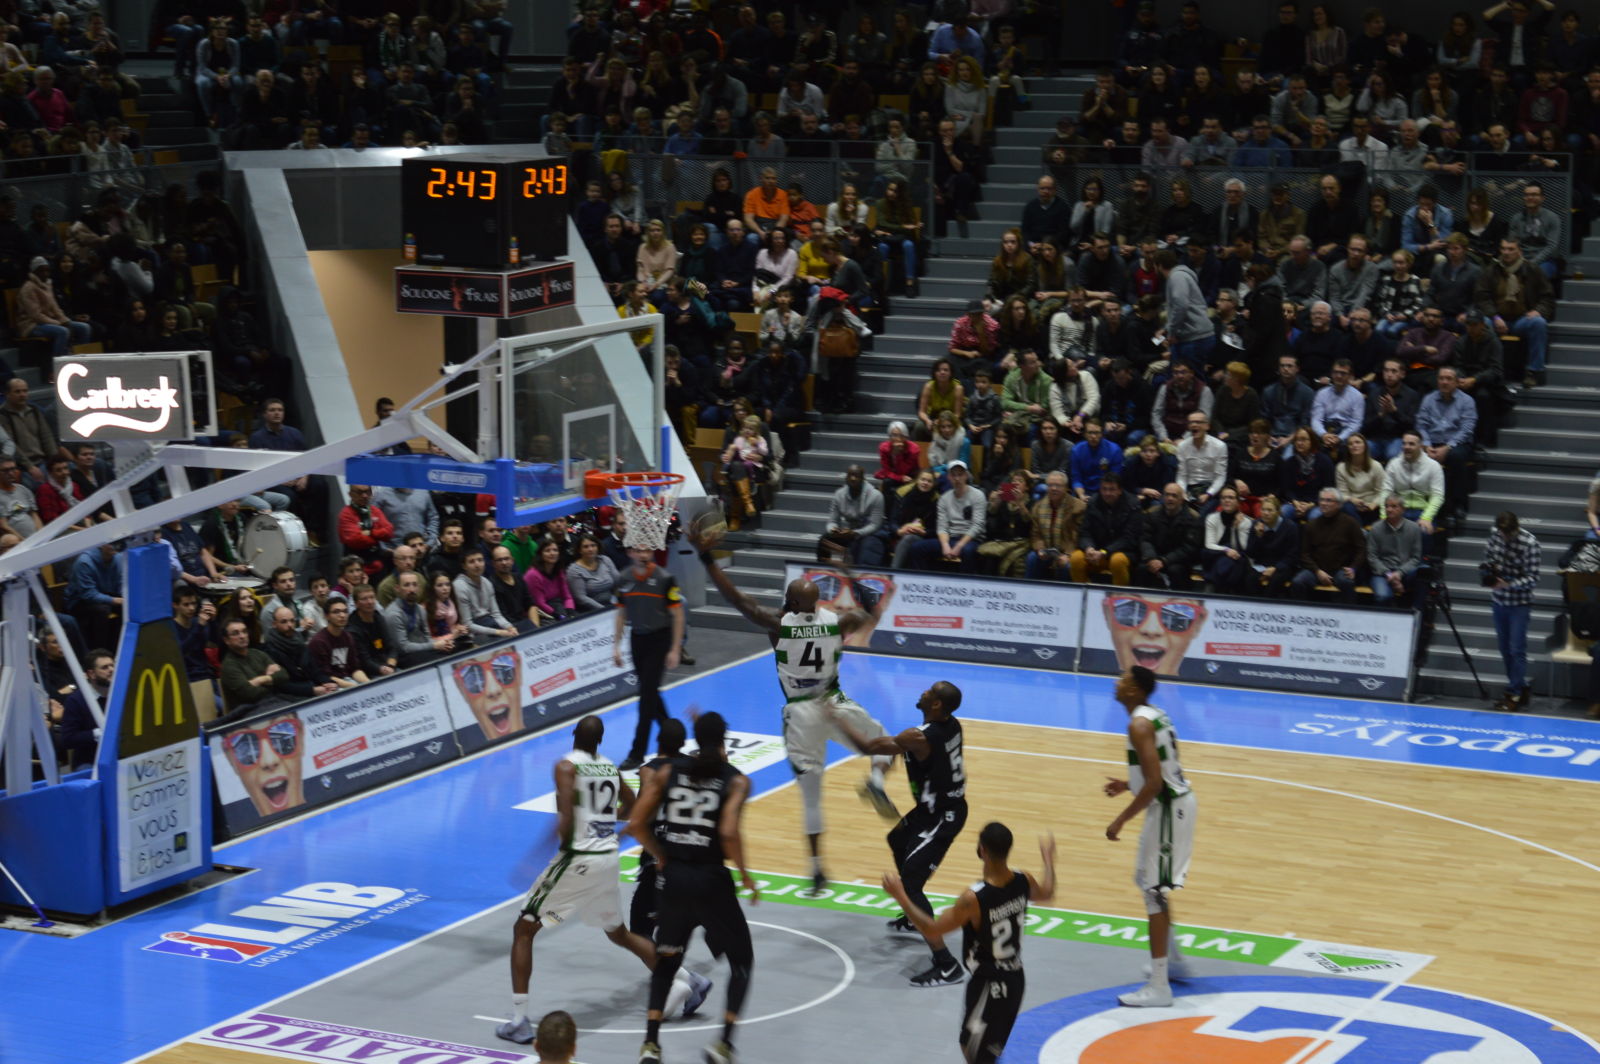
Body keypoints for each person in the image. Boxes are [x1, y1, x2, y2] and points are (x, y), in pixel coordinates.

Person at [689, 521, 896, 888]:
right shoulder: (837, 620)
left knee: (811, 796)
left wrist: (706, 558)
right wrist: (847, 572)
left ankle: (816, 867)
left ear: (793, 603)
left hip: (800, 712)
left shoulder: (779, 625)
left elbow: (737, 600)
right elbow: (873, 612)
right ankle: (876, 781)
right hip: (834, 702)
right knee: (886, 746)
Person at [497, 715, 708, 1046]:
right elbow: (635, 806)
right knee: (619, 934)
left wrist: (536, 857)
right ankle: (688, 978)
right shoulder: (610, 768)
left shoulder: (567, 766)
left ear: (573, 737)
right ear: (599, 741)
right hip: (607, 859)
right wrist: (604, 820)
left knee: (524, 929)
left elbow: (566, 819)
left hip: (577, 859)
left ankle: (519, 1020)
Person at [630, 712, 757, 1064]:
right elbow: (729, 833)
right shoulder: (736, 780)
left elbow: (637, 823)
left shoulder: (668, 772)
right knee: (742, 963)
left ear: (694, 740)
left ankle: (651, 1044)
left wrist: (659, 854)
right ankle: (724, 1044)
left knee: (667, 960)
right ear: (725, 739)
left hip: (672, 881)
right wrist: (746, 874)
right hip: (710, 881)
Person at [831, 681, 967, 987]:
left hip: (942, 817)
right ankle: (912, 915)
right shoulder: (950, 725)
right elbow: (898, 748)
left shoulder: (917, 736)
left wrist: (836, 720)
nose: (922, 692)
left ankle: (947, 965)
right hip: (931, 810)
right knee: (897, 841)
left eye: (929, 692)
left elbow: (870, 748)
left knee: (910, 885)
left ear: (935, 705)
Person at [882, 823, 1055, 1064]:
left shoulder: (974, 899)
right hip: (1015, 978)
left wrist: (901, 896)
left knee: (975, 1052)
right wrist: (1048, 860)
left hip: (989, 984)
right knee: (979, 1048)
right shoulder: (1022, 879)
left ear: (982, 850)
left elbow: (931, 929)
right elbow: (1047, 892)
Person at [1104, 665, 1197, 1007]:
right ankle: (1171, 962)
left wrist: (1121, 820)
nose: (1117, 681)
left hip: (1170, 809)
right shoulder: (1154, 715)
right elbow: (1163, 769)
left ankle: (1159, 987)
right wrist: (1129, 784)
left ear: (1135, 690)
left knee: (1152, 891)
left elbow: (1157, 783)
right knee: (1146, 881)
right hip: (1170, 804)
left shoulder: (1138, 723)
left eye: (1124, 679)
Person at [613, 529, 684, 771]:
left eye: (647, 550)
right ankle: (672, 738)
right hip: (637, 639)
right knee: (650, 692)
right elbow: (621, 612)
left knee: (645, 697)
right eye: (638, 550)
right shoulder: (623, 578)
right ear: (630, 552)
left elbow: (678, 614)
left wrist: (675, 648)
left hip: (659, 639)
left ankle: (637, 752)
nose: (643, 554)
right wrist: (616, 645)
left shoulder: (665, 578)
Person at [1485, 510, 1541, 712]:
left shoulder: (1530, 543)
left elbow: (1533, 578)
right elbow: (1488, 558)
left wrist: (1508, 584)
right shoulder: (1495, 535)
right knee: (1504, 648)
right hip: (1499, 601)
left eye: (1508, 534)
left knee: (1517, 649)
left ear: (1516, 528)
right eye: (1502, 534)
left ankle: (1514, 692)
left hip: (1519, 603)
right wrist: (1489, 571)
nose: (1505, 538)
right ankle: (1521, 688)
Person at [1292, 487, 1366, 601]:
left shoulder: (1351, 523)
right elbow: (1304, 554)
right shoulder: (1311, 525)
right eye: (1321, 500)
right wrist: (1317, 571)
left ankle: (1349, 616)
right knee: (1298, 582)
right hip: (1316, 569)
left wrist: (1353, 568)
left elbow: (1361, 549)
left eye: (1328, 500)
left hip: (1340, 569)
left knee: (1346, 582)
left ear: (1339, 504)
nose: (1323, 503)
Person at [1073, 474, 1142, 585]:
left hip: (1123, 552)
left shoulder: (1133, 504)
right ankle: (1084, 595)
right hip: (1096, 551)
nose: (1107, 493)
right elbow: (1085, 532)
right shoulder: (1092, 502)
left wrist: (1105, 552)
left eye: (1112, 489)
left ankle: (1118, 597)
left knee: (1117, 561)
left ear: (1120, 490)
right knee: (1076, 558)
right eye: (1104, 489)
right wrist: (1089, 548)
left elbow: (1129, 538)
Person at [1367, 495, 1426, 606]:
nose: (1389, 509)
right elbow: (1372, 557)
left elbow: (1416, 558)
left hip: (1406, 572)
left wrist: (1399, 573)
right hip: (1383, 574)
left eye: (1394, 506)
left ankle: (1416, 615)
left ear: (1403, 509)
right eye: (1387, 506)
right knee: (1383, 596)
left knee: (1424, 573)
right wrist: (1390, 575)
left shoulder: (1414, 528)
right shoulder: (1376, 528)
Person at [823, 465, 886, 566]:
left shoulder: (876, 496)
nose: (853, 478)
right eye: (850, 475)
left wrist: (856, 533)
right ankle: (827, 571)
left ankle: (863, 576)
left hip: (871, 533)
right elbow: (832, 521)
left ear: (863, 479)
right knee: (826, 539)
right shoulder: (839, 494)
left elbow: (875, 525)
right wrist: (833, 530)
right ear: (846, 478)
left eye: (856, 476)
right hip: (850, 531)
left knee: (868, 545)